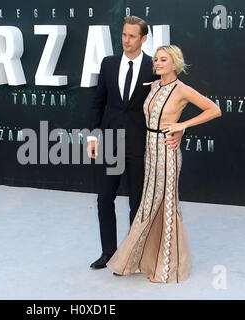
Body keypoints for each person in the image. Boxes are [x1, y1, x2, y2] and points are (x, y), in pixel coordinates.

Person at [106, 45, 222, 283]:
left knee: (166, 206)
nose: (157, 64)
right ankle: (141, 259)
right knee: (149, 206)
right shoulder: (154, 85)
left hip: (167, 153)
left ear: (175, 63)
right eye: (156, 60)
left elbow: (214, 110)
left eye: (162, 60)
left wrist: (182, 126)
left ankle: (166, 268)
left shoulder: (182, 89)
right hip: (150, 151)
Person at [88, 16, 183, 270]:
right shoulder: (108, 64)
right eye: (123, 35)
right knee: (104, 198)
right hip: (109, 142)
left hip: (139, 145)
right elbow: (97, 103)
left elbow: (171, 100)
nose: (126, 40)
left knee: (137, 203)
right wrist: (93, 136)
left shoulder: (153, 68)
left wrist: (178, 129)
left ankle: (131, 255)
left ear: (143, 39)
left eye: (132, 36)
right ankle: (108, 253)